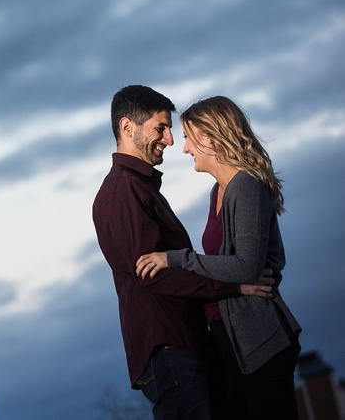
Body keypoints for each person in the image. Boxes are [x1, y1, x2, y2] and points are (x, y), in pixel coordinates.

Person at [93, 85, 273, 420]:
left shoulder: (139, 188)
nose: (170, 140)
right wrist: (234, 286)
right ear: (127, 128)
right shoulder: (123, 191)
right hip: (169, 347)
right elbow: (153, 274)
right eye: (160, 128)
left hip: (183, 344)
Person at [136, 96, 301, 420]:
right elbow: (235, 271)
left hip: (260, 337)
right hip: (228, 338)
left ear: (209, 137)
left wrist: (175, 259)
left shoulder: (247, 187)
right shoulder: (218, 192)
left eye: (187, 137)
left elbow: (246, 266)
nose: (183, 149)